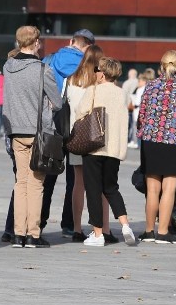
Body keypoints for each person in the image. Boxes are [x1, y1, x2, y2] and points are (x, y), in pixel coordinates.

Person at [3, 26, 61, 248]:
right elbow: (57, 102)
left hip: (15, 130)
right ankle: (33, 233)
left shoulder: (8, 67)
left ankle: (18, 233)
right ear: (35, 42)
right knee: (36, 184)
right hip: (38, 131)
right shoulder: (42, 69)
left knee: (21, 182)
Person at [136, 50, 176, 244]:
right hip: (174, 141)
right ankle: (163, 231)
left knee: (152, 189)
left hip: (151, 141)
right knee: (169, 189)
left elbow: (141, 116)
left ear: (161, 66)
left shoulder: (151, 86)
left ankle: (148, 231)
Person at [76, 57, 135, 247]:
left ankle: (98, 233)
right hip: (114, 149)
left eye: (97, 70)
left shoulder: (92, 90)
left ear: (102, 73)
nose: (95, 73)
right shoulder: (122, 94)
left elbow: (80, 113)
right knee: (111, 188)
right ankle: (125, 225)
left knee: (93, 190)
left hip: (95, 147)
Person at [42, 28, 94, 236]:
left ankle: (39, 221)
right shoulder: (87, 66)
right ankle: (70, 223)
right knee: (75, 179)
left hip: (52, 124)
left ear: (71, 41)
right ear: (88, 46)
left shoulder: (49, 59)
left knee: (47, 177)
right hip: (77, 127)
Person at [64, 44, 112, 243]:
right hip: (97, 137)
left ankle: (76, 227)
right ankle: (104, 229)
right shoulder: (100, 82)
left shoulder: (71, 80)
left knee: (78, 183)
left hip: (76, 135)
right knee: (101, 184)